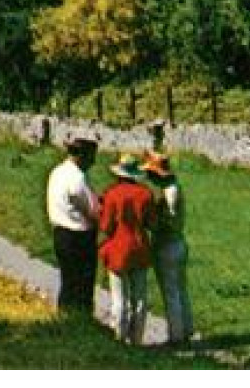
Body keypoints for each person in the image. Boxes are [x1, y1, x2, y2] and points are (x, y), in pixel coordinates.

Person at [98, 153, 157, 345]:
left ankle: (120, 337)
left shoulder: (112, 194)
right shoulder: (146, 194)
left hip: (118, 248)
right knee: (139, 298)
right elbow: (152, 223)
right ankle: (137, 338)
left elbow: (106, 226)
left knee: (119, 298)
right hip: (139, 246)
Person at [46, 136, 100, 314]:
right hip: (79, 236)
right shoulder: (77, 178)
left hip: (60, 232)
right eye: (91, 157)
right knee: (82, 285)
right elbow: (93, 211)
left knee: (68, 281)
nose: (93, 162)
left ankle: (65, 317)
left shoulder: (57, 172)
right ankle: (81, 320)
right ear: (82, 155)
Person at [145, 151, 193, 344]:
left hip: (167, 244)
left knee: (171, 292)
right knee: (180, 289)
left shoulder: (169, 193)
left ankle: (176, 336)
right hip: (177, 243)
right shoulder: (171, 188)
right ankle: (186, 328)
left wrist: (151, 222)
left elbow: (168, 221)